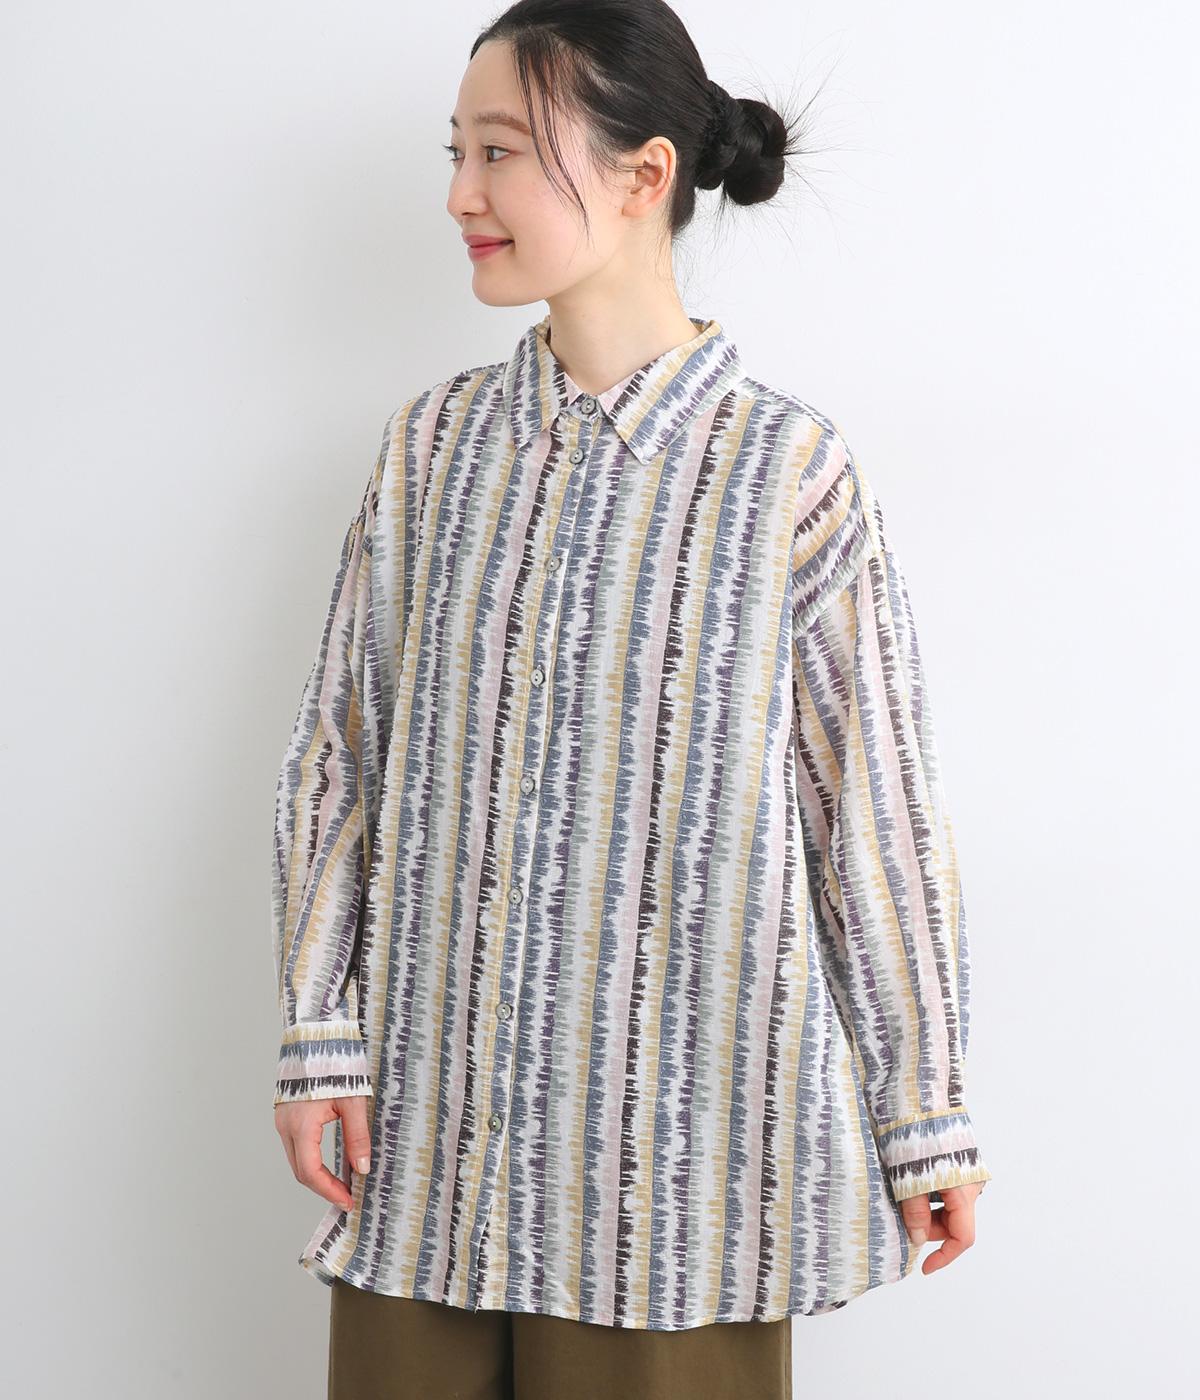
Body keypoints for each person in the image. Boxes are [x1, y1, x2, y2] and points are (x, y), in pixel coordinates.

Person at [270, 2, 993, 1396]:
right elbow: (337, 761)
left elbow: (875, 814)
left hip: (681, 1188)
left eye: (499, 152)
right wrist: (319, 1037)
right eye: (455, 152)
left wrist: (927, 1114)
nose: (459, 194)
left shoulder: (786, 473)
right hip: (425, 1159)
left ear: (643, 173)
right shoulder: (430, 453)